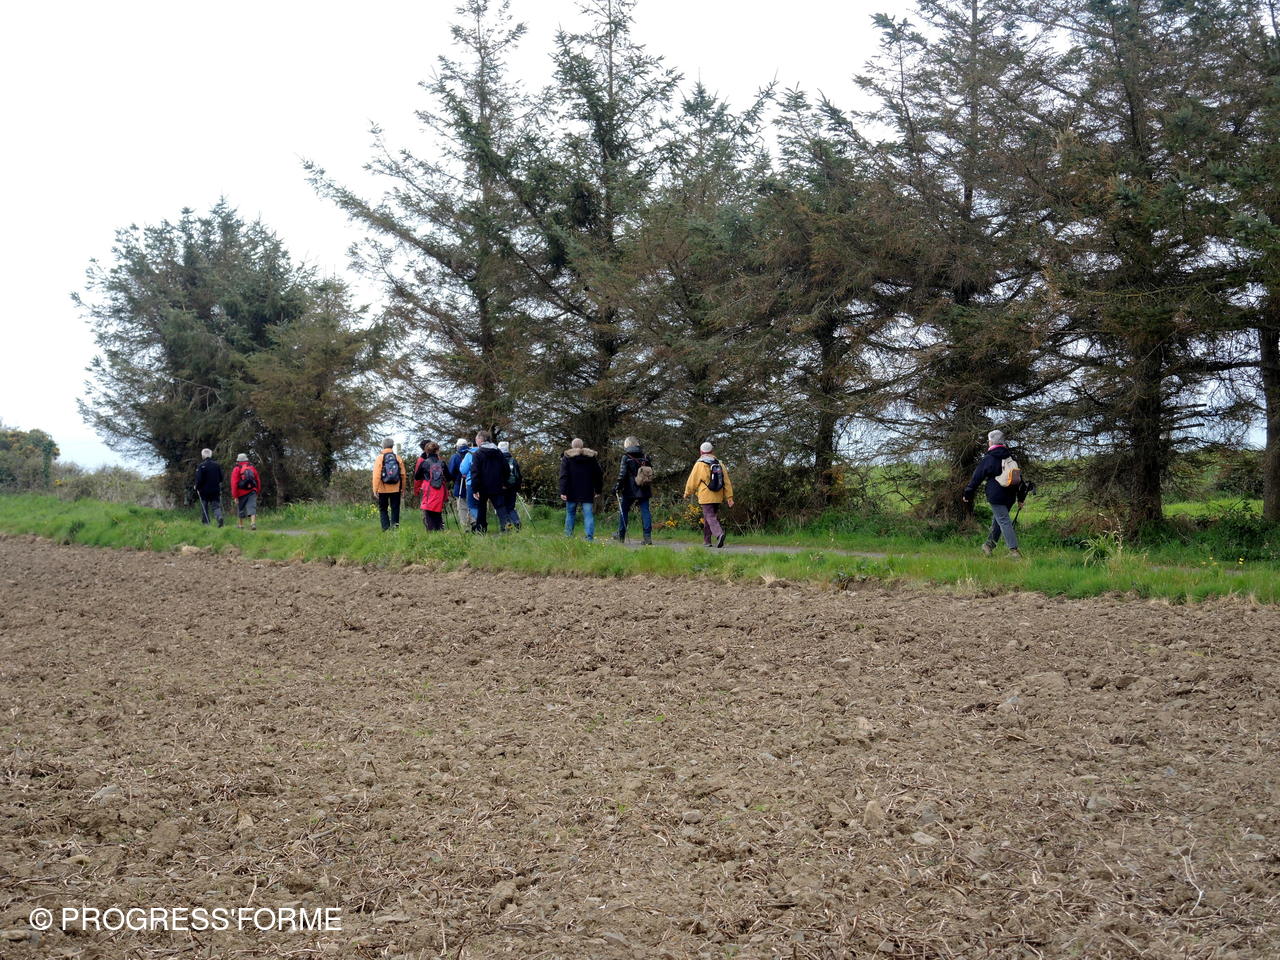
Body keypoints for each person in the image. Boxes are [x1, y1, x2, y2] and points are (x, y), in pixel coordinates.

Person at [963, 429, 1027, 559]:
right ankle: (988, 546)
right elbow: (1019, 479)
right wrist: (1020, 498)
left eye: (989, 440)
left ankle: (1014, 551)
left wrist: (968, 493)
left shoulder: (989, 458)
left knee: (1003, 520)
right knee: (998, 520)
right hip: (1010, 496)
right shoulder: (1010, 458)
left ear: (991, 442)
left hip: (996, 496)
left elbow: (977, 477)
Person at [684, 441, 734, 548]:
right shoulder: (719, 463)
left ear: (701, 452)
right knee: (709, 517)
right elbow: (726, 481)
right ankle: (707, 541)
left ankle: (719, 534)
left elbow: (692, 480)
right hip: (718, 495)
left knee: (710, 516)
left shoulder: (699, 464)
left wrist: (687, 492)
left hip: (705, 495)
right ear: (712, 451)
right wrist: (729, 497)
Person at [559, 437, 603, 540]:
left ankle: (568, 536)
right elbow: (598, 475)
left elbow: (563, 475)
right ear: (582, 446)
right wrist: (598, 489)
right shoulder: (591, 458)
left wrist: (563, 491)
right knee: (588, 514)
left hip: (571, 490)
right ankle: (589, 537)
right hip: (587, 490)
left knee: (570, 513)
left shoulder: (567, 457)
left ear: (572, 446)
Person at [613, 436, 653, 545]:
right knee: (645, 511)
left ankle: (621, 535)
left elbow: (622, 474)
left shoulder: (626, 457)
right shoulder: (646, 457)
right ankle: (647, 537)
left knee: (624, 511)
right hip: (644, 487)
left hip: (629, 489)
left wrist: (617, 487)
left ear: (627, 445)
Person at [468, 431, 510, 532]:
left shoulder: (477, 453)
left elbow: (475, 472)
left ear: (481, 440)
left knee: (481, 509)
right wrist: (504, 482)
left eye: (476, 439)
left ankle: (481, 530)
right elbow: (506, 469)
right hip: (497, 485)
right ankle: (507, 528)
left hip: (482, 486)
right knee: (500, 507)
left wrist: (475, 489)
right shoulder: (498, 452)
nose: (476, 441)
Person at [413, 441, 450, 531]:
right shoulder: (442, 463)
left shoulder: (424, 463)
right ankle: (439, 529)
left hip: (428, 488)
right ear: (437, 451)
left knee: (428, 510)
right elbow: (448, 477)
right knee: (438, 509)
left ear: (426, 451)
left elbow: (417, 476)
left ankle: (431, 531)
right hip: (440, 488)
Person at [371, 437, 406, 532]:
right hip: (396, 488)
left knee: (383, 509)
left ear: (382, 446)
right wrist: (403, 489)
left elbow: (376, 475)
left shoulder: (379, 458)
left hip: (382, 489)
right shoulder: (398, 458)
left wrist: (375, 489)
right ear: (392, 446)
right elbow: (403, 475)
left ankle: (386, 530)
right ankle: (395, 529)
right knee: (395, 508)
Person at [193, 448, 224, 527]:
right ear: (211, 455)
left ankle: (206, 523)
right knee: (216, 506)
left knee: (204, 507)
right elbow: (221, 478)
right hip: (215, 489)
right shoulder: (217, 465)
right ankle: (219, 517)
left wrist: (196, 486)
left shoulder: (201, 466)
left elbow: (199, 479)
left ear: (203, 456)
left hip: (204, 491)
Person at [229, 453, 259, 531]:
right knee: (252, 507)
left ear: (238, 461)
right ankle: (253, 523)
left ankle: (241, 525)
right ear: (246, 460)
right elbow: (257, 480)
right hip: (252, 491)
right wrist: (257, 490)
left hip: (241, 492)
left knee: (240, 508)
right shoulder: (251, 467)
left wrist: (235, 496)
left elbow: (234, 483)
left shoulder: (236, 469)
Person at [498, 440, 523, 531]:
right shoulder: (513, 460)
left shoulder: (498, 460)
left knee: (502, 507)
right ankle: (516, 521)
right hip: (512, 487)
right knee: (511, 507)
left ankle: (507, 525)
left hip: (501, 488)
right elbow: (518, 475)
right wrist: (517, 487)